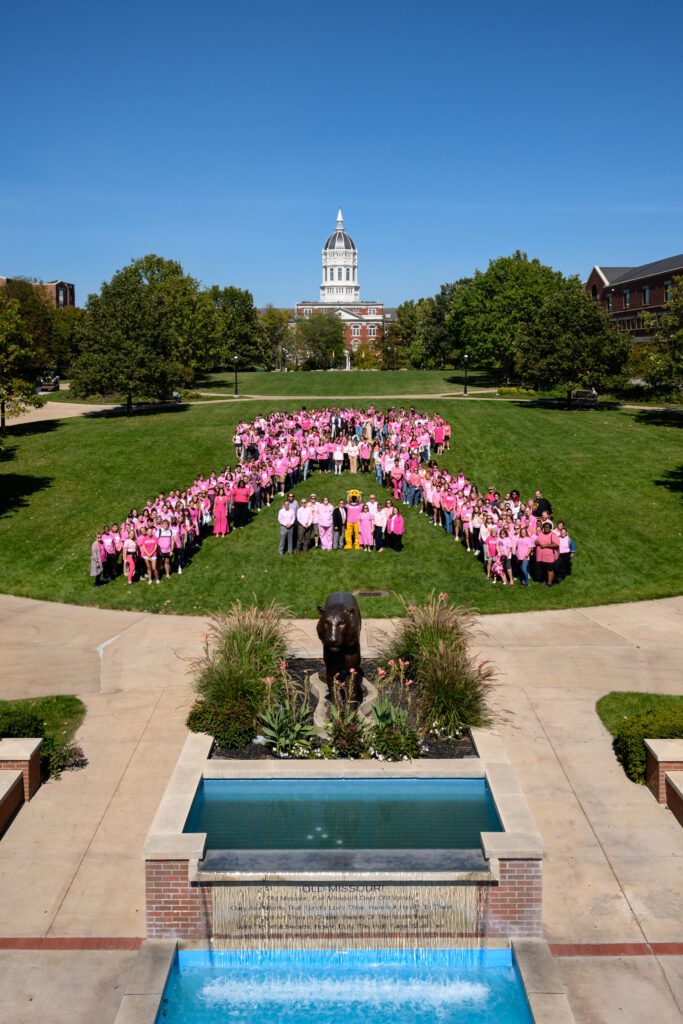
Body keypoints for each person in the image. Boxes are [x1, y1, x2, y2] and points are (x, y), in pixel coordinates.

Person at [534, 521, 559, 587]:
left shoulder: (553, 535)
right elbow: (536, 542)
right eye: (545, 527)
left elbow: (556, 545)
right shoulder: (541, 534)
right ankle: (545, 581)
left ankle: (549, 583)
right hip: (541, 557)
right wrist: (538, 543)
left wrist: (546, 546)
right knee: (544, 569)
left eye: (548, 527)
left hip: (549, 557)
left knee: (550, 570)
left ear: (550, 528)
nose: (546, 528)